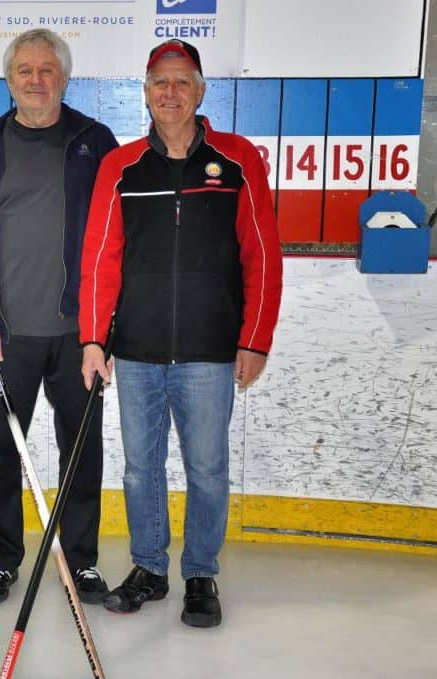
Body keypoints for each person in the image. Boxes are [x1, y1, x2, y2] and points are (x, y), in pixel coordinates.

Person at [79, 39, 283, 627]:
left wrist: (255, 338)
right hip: (137, 351)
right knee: (140, 469)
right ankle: (149, 567)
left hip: (209, 351)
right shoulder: (120, 168)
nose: (170, 93)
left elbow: (262, 255)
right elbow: (100, 258)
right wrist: (95, 337)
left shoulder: (238, 159)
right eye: (159, 83)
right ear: (145, 93)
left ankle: (200, 573)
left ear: (200, 90)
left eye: (181, 82)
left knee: (208, 469)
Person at [0, 28, 119, 603]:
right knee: (4, 454)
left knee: (83, 450)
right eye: (24, 71)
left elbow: (113, 241)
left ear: (64, 78)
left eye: (47, 70)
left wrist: (102, 332)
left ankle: (81, 561)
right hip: (4, 338)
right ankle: (3, 561)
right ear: (9, 81)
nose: (36, 80)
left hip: (80, 337)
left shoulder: (94, 141)